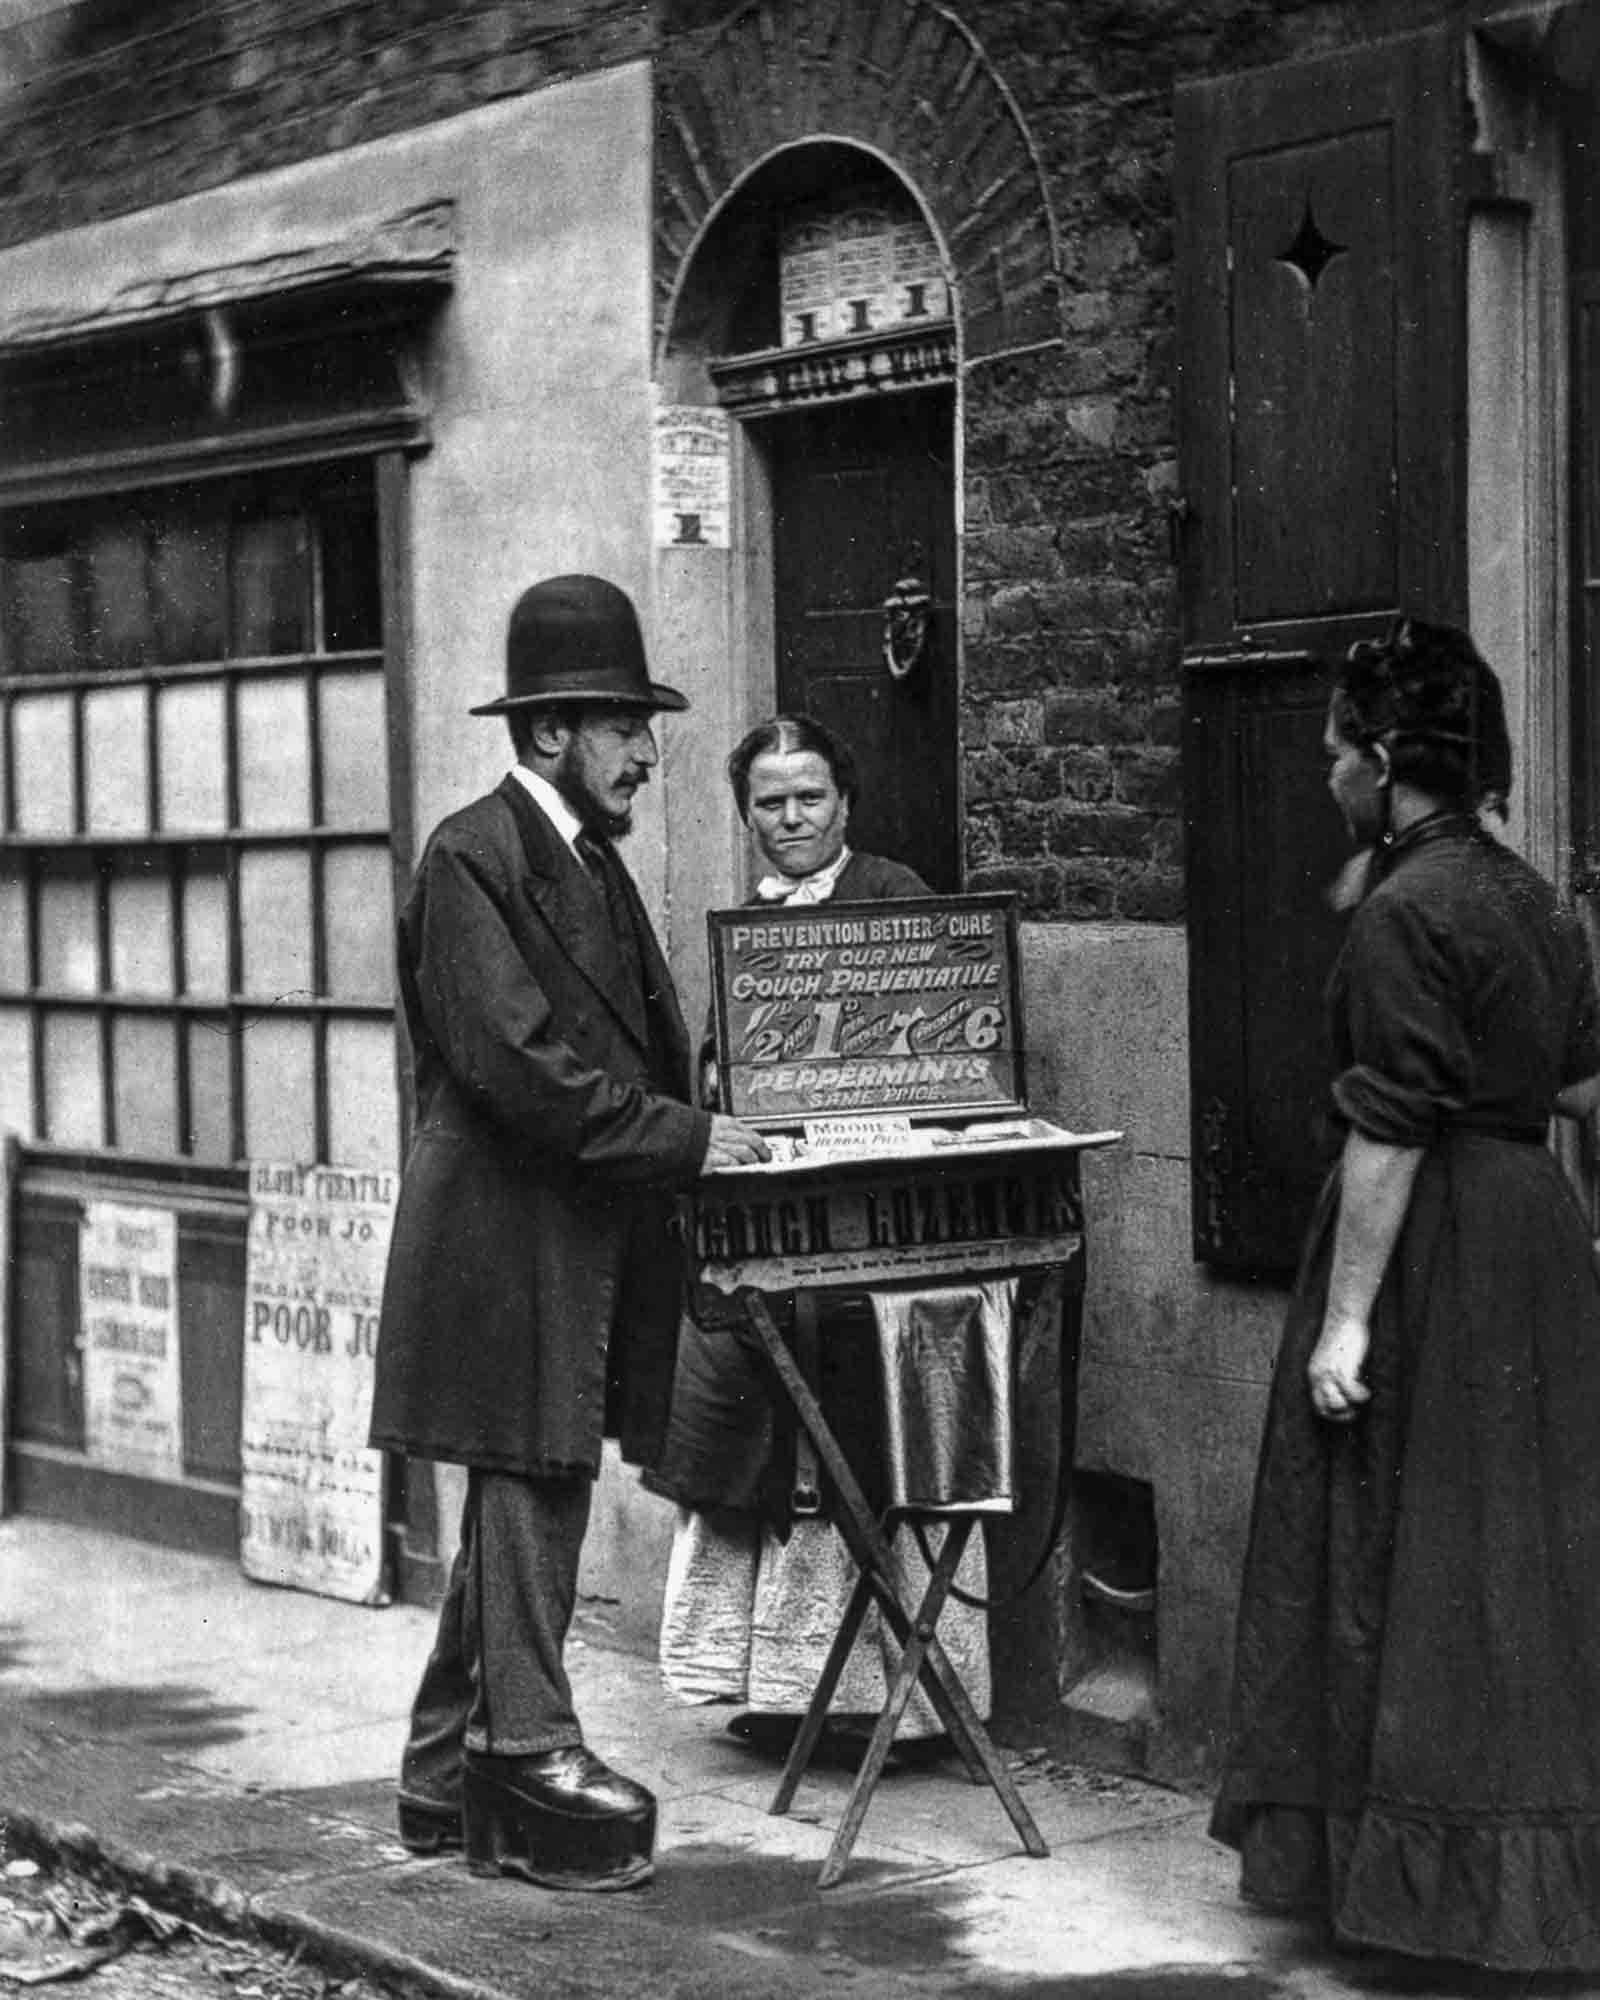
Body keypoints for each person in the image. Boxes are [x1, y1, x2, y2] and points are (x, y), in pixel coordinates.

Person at [1211, 616, 1600, 1973]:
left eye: (1335, 754)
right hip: (1533, 1238)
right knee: (1518, 1562)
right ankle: (1533, 1881)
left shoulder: (1402, 908)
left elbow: (1388, 1129)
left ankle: (1427, 1894)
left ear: (1386, 763)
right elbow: (1579, 1082)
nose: (1327, 778)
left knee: (1403, 1550)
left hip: (1431, 1241)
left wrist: (1348, 1320)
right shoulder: (1538, 897)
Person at [368, 574, 768, 1895]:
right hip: (505, 1233)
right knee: (530, 1480)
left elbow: (628, 1051)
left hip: (567, 1230)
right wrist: (694, 1141)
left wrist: (705, 1126)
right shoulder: (473, 853)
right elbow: (523, 1073)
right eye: (624, 727)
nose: (652, 754)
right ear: (552, 735)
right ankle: (525, 1751)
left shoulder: (581, 859)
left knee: (525, 1485)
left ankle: (441, 1782)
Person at [649, 713, 995, 1760]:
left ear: (843, 803)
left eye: (808, 797)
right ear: (746, 814)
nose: (789, 818)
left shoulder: (893, 899)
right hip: (774, 1225)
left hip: (874, 1231)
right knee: (767, 1443)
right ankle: (788, 1688)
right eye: (768, 801)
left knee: (871, 1446)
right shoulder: (741, 924)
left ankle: (898, 1699)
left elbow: (943, 1042)